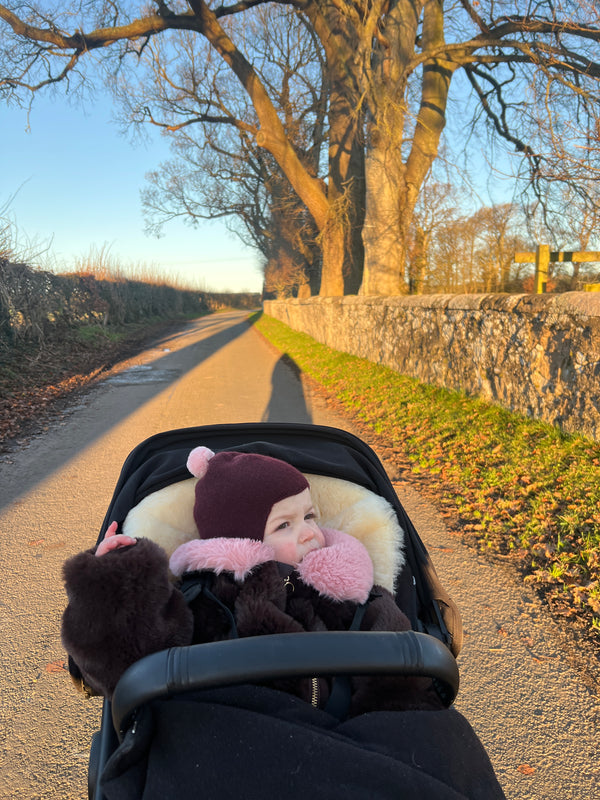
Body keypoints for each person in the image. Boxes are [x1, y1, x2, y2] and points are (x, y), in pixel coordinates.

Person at [61, 447, 443, 715]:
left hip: (339, 730)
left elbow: (398, 660)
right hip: (225, 732)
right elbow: (123, 661)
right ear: (238, 542)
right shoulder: (201, 596)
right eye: (284, 525)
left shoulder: (352, 592)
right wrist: (111, 584)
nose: (310, 532)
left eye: (310, 516)